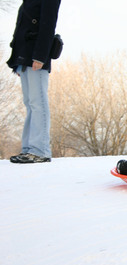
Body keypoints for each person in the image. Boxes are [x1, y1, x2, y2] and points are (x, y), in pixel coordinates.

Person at [7, 0, 61, 164]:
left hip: (36, 56)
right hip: (24, 55)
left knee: (38, 102)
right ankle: (29, 149)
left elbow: (48, 24)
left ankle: (40, 150)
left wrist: (40, 56)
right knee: (30, 102)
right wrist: (17, 60)